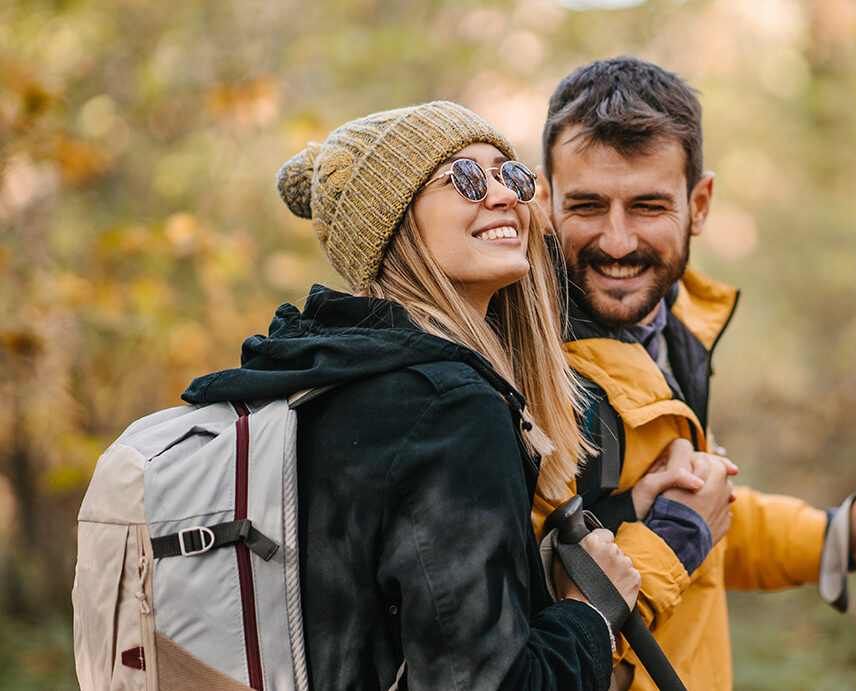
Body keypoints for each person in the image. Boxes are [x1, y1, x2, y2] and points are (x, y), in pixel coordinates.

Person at [180, 101, 639, 689]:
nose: (504, 197)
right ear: (392, 226)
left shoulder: (326, 384)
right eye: (466, 179)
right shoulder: (448, 409)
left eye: (510, 175)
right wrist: (591, 615)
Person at [529, 58, 856, 690]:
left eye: (649, 205)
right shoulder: (529, 369)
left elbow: (706, 521)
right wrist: (674, 542)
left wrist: (836, 535)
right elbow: (533, 638)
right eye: (588, 204)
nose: (619, 240)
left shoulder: (674, 334)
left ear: (700, 203)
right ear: (546, 202)